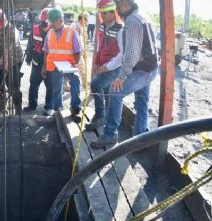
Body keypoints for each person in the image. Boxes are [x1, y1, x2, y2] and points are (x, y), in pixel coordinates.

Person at [90, 0, 158, 148]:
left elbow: (130, 53)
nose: (118, 11)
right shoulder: (143, 16)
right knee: (142, 102)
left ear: (125, 5)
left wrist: (122, 76)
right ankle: (140, 139)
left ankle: (110, 134)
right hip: (150, 67)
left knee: (116, 93)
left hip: (142, 69)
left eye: (119, 7)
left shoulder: (132, 20)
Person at [85, 0, 124, 130]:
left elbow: (122, 56)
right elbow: (99, 47)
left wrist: (106, 67)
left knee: (95, 84)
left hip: (114, 68)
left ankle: (100, 116)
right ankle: (107, 116)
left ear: (113, 13)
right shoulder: (102, 27)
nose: (102, 15)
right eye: (101, 13)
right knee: (106, 91)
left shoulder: (120, 30)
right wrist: (96, 62)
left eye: (105, 13)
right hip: (103, 65)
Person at [41, 7, 82, 121]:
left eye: (54, 21)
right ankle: (58, 109)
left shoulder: (72, 32)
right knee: (56, 88)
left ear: (61, 20)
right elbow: (46, 51)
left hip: (69, 65)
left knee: (75, 84)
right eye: (51, 21)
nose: (52, 24)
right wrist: (44, 67)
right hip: (54, 65)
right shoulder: (49, 33)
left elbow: (78, 50)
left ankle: (75, 108)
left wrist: (76, 64)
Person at [23, 8, 51, 112]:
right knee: (34, 83)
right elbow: (30, 44)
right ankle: (32, 105)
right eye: (44, 21)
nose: (45, 23)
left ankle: (49, 106)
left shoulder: (54, 30)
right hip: (37, 61)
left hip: (49, 63)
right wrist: (28, 58)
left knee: (49, 85)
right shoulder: (35, 29)